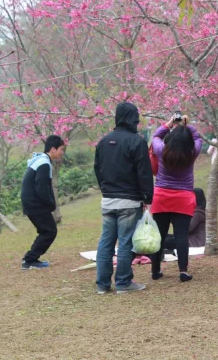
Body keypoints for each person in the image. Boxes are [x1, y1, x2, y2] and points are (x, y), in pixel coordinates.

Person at [94, 102, 155, 294]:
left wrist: (105, 189)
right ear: (133, 119)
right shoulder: (136, 142)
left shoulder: (103, 142)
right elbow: (143, 173)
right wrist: (147, 198)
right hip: (129, 200)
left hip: (108, 199)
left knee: (106, 242)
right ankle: (123, 282)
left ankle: (102, 285)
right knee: (125, 242)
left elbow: (97, 168)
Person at [148, 114, 203, 283]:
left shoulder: (161, 150)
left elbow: (156, 136)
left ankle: (156, 270)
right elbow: (197, 137)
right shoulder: (192, 152)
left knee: (160, 236)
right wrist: (187, 125)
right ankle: (183, 271)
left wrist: (169, 123)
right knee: (181, 235)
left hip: (161, 197)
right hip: (184, 198)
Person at [20, 135, 66, 270]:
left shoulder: (41, 160)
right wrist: (50, 204)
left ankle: (30, 259)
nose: (62, 153)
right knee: (50, 231)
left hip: (32, 203)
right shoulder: (44, 163)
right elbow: (42, 188)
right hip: (35, 204)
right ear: (53, 149)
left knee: (46, 230)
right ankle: (29, 260)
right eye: (61, 149)